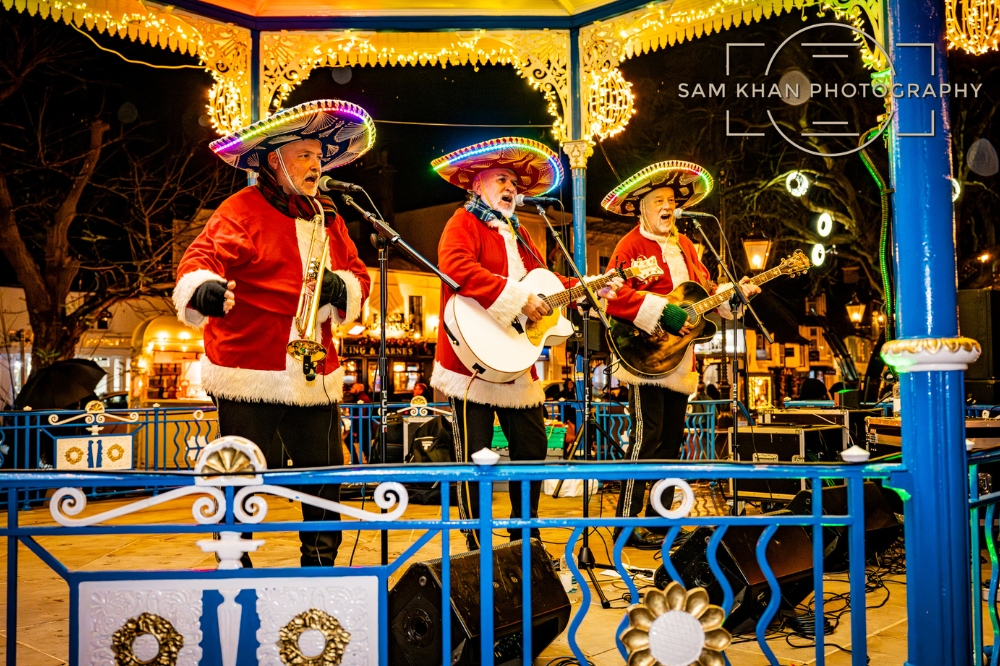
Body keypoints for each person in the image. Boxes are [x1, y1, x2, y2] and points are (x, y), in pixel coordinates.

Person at [173, 99, 373, 567]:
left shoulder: (330, 217)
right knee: (241, 479)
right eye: (304, 155)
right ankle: (234, 571)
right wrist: (202, 291)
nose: (316, 164)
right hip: (250, 366)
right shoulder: (239, 209)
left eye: (319, 156)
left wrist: (340, 287)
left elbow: (359, 276)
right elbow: (200, 261)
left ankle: (321, 571)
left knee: (325, 478)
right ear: (272, 160)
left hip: (315, 369)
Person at [429, 137, 621, 549]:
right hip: (472, 362)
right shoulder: (463, 222)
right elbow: (456, 267)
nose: (511, 188)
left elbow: (548, 285)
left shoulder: (521, 234)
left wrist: (591, 287)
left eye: (515, 182)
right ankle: (474, 542)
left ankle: (524, 535)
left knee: (532, 448)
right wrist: (517, 298)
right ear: (477, 184)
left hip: (517, 364)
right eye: (502, 178)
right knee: (474, 457)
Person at [601, 161, 761, 549]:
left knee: (672, 440)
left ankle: (661, 521)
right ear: (642, 208)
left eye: (671, 200)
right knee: (646, 436)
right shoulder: (629, 246)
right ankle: (626, 523)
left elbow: (703, 294)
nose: (667, 206)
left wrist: (732, 297)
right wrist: (660, 312)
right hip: (642, 355)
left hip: (678, 359)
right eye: (658, 200)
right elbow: (611, 293)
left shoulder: (687, 246)